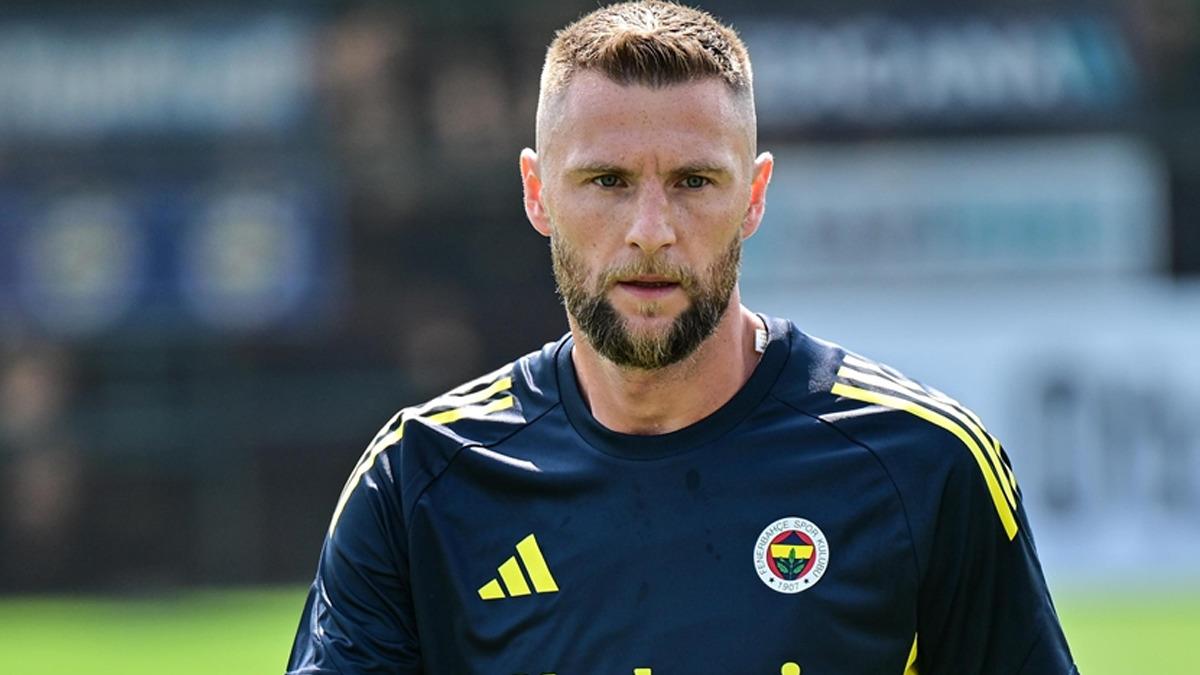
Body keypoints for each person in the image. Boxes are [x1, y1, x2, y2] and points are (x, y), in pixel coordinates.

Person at [287, 2, 1078, 673]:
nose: (651, 230)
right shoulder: (418, 482)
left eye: (694, 181)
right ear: (537, 192)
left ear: (755, 196)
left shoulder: (923, 466)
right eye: (607, 181)